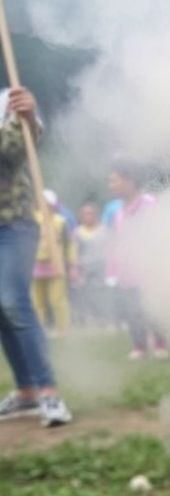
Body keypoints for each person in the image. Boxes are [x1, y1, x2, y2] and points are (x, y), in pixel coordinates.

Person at [0, 86, 72, 426]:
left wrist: (28, 117)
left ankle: (49, 392)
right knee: (1, 309)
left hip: (13, 225)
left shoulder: (6, 102)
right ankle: (27, 391)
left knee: (13, 302)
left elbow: (16, 151)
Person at [106, 159, 169, 360]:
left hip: (151, 269)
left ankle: (160, 343)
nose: (111, 185)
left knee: (152, 307)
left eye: (114, 180)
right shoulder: (117, 213)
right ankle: (139, 345)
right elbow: (117, 242)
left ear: (129, 180)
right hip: (128, 271)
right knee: (133, 310)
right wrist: (114, 269)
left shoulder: (150, 204)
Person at [31, 189, 77, 334]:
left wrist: (72, 265)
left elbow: (69, 244)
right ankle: (38, 330)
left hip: (55, 265)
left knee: (58, 300)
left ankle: (63, 329)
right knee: (37, 302)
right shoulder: (32, 219)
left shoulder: (60, 221)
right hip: (35, 264)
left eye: (49, 203)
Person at [71, 202, 108, 326]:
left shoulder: (103, 230)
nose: (88, 216)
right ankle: (84, 320)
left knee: (99, 293)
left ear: (95, 215)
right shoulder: (77, 232)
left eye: (90, 213)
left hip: (100, 266)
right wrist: (74, 267)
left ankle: (103, 319)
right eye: (85, 214)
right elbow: (73, 251)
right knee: (82, 294)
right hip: (84, 267)